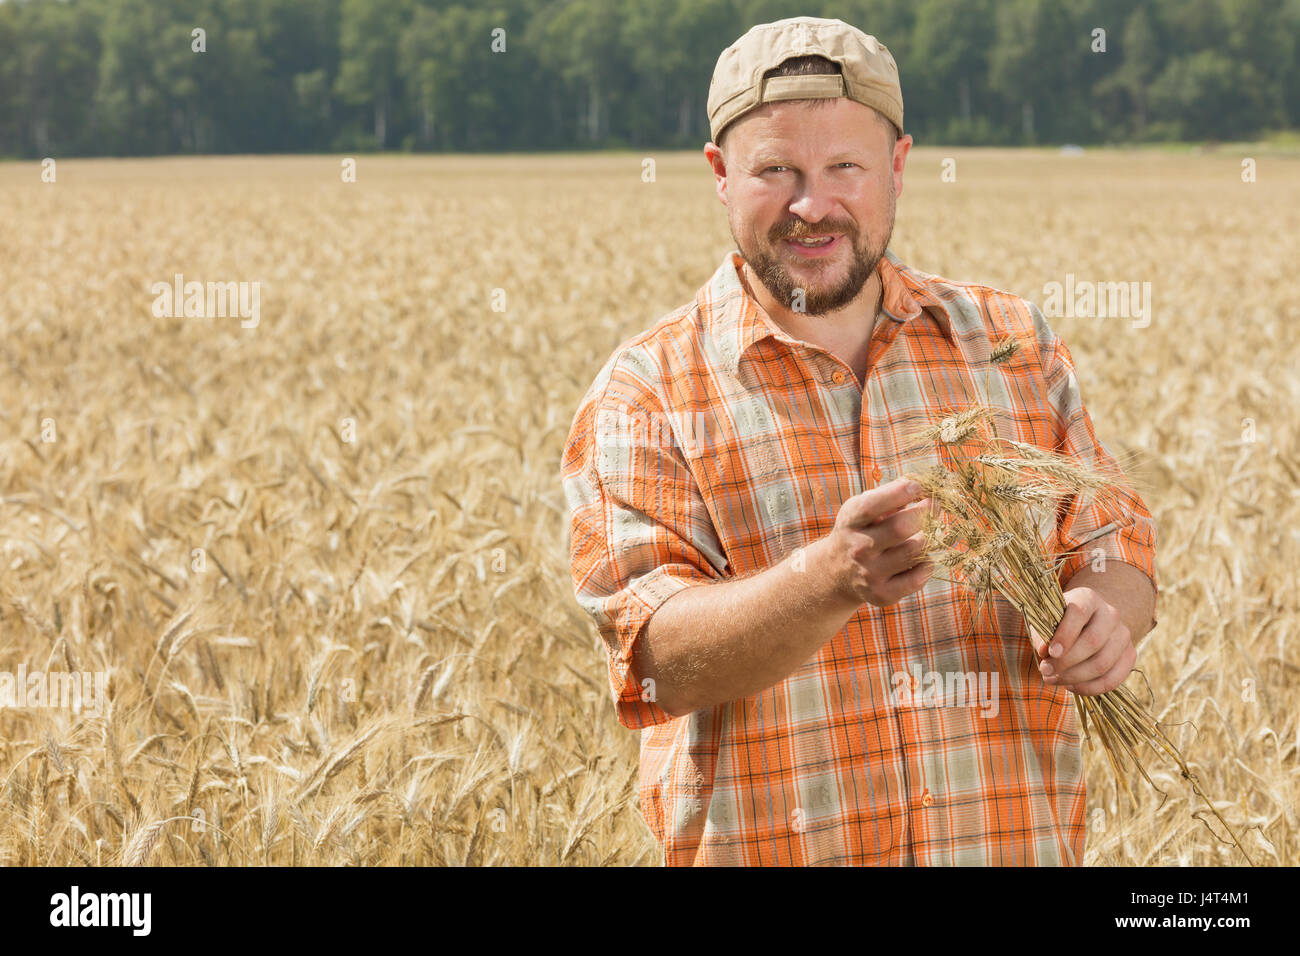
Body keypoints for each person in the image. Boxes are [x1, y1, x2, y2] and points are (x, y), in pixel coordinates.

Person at [559, 16, 1157, 866]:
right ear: (721, 176)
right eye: (777, 171)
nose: (814, 206)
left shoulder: (1009, 340)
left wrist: (1110, 613)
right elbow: (655, 659)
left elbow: (1112, 535)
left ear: (899, 168)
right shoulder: (646, 393)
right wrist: (826, 580)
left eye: (846, 167)